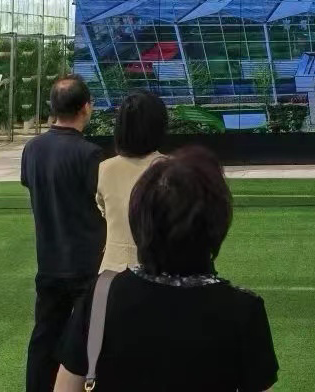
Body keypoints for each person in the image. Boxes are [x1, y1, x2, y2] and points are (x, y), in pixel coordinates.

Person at [54, 148, 279, 392]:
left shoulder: (102, 296)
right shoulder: (243, 311)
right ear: (217, 223)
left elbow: (66, 387)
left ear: (139, 218)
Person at [21, 75, 105, 392]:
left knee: (45, 336)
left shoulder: (33, 148)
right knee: (90, 339)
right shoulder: (90, 154)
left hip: (50, 260)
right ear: (85, 108)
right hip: (86, 262)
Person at [96, 90, 168, 272]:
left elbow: (104, 210)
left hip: (113, 271)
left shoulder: (106, 168)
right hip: (155, 272)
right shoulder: (171, 169)